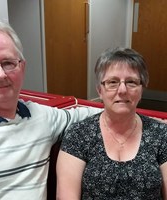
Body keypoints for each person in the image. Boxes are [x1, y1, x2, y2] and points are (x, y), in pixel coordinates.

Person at [0, 18, 103, 200]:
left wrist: (144, 121)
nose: (0, 74)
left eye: (8, 63)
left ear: (22, 67)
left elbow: (87, 114)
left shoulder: (43, 117)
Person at [56, 47, 167, 199]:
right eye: (113, 82)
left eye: (131, 82)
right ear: (99, 91)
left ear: (141, 90)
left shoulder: (161, 135)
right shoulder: (79, 135)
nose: (122, 90)